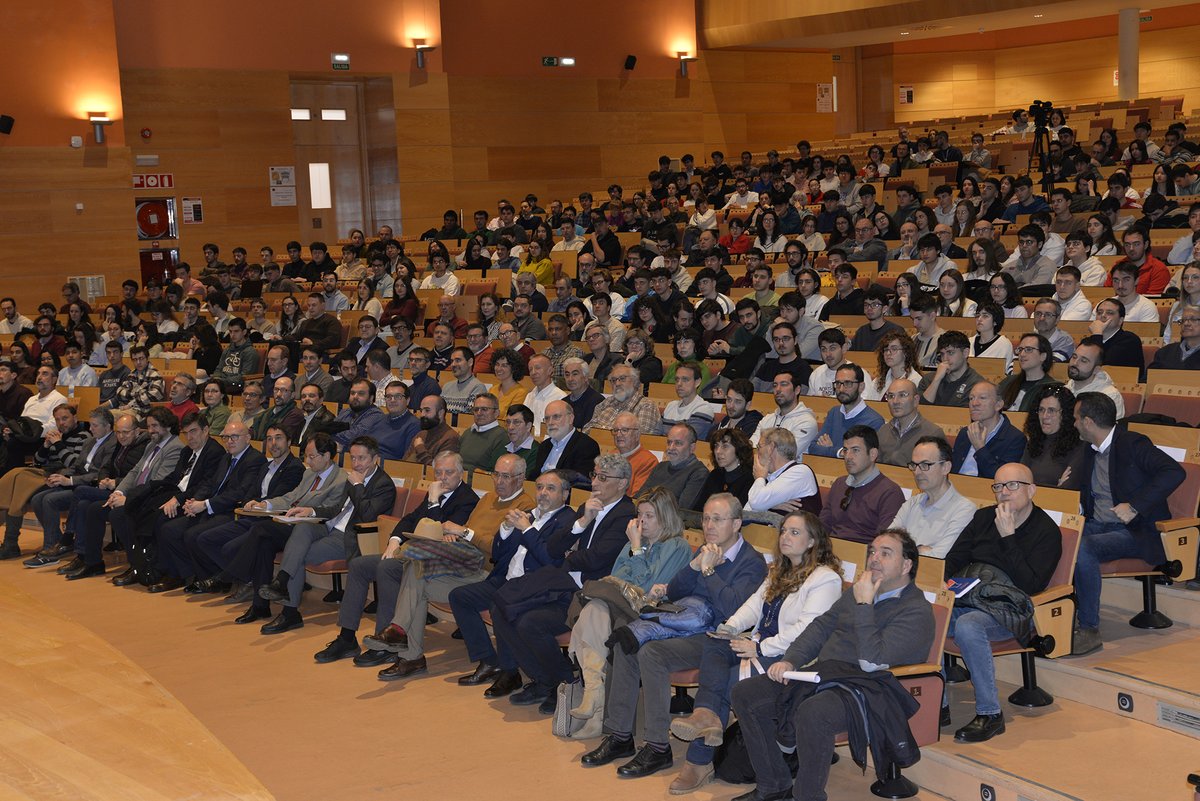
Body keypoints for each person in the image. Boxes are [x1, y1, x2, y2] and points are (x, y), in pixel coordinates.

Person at [728, 529, 934, 801]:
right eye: (872, 551)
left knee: (815, 711)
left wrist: (864, 604)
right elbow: (821, 627)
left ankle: (807, 796)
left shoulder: (916, 611)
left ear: (907, 565)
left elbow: (871, 662)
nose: (874, 558)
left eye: (885, 553)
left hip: (868, 690)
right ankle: (773, 784)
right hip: (825, 675)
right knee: (746, 693)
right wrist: (791, 659)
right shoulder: (860, 592)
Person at [579, 494, 766, 780]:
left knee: (651, 653)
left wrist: (708, 569)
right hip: (683, 622)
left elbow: (731, 609)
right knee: (628, 641)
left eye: (718, 519)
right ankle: (620, 735)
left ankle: (657, 746)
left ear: (737, 523)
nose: (709, 525)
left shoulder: (751, 562)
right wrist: (694, 567)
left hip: (718, 637)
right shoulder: (704, 549)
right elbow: (677, 592)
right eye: (705, 518)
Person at [665, 510, 844, 791]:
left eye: (794, 532)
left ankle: (697, 762)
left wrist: (758, 646)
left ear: (812, 542)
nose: (785, 536)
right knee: (715, 642)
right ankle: (706, 716)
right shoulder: (779, 570)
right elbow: (753, 605)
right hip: (759, 644)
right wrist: (730, 627)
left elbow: (807, 632)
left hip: (790, 657)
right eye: (784, 530)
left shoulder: (825, 579)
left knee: (727, 681)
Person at [361, 454, 534, 678]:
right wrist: (458, 536)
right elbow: (466, 532)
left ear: (520, 478)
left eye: (506, 476)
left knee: (415, 567)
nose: (498, 481)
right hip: (462, 562)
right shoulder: (488, 498)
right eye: (496, 475)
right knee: (415, 572)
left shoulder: (525, 505)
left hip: (488, 572)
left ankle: (402, 639)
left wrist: (463, 533)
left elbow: (500, 548)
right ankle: (408, 652)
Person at [487, 454, 636, 706]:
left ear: (622, 483)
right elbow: (555, 549)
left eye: (602, 477)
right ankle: (543, 680)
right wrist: (583, 521)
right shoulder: (587, 507)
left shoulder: (625, 514)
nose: (595, 482)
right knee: (500, 606)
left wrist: (571, 554)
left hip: (590, 594)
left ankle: (562, 683)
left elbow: (596, 559)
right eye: (594, 475)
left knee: (530, 623)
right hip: (564, 584)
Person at [310, 449, 478, 666]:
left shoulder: (467, 499)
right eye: (438, 472)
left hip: (435, 564)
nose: (442, 478)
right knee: (360, 565)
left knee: (386, 568)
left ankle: (386, 642)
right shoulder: (435, 492)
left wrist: (434, 501)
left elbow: (439, 536)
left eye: (448, 473)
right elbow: (409, 519)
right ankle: (347, 637)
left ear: (461, 473)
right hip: (412, 554)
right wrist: (394, 540)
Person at [942, 462, 1063, 743]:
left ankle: (990, 714)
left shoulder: (1046, 531)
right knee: (926, 615)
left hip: (1012, 610)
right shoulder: (983, 518)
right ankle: (939, 706)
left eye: (1012, 485)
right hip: (972, 596)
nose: (1004, 493)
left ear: (1031, 490)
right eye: (998, 486)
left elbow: (1031, 586)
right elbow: (953, 560)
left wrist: (1009, 537)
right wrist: (944, 587)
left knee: (969, 625)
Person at [564, 486, 694, 739]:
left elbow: (645, 589)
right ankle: (595, 699)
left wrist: (636, 548)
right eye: (640, 515)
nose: (642, 522)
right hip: (617, 607)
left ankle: (595, 700)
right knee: (596, 608)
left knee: (593, 610)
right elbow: (617, 578)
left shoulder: (676, 547)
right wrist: (635, 548)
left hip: (648, 615)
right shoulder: (634, 542)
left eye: (649, 516)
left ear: (665, 517)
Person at [1071, 392, 1184, 656]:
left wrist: (1135, 506)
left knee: (1083, 548)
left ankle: (1089, 628)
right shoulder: (1088, 450)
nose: (1073, 424)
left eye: (1076, 419)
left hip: (1134, 531)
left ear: (1088, 422)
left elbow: (1174, 472)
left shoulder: (1132, 443)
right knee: (1056, 537)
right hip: (1097, 525)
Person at [440, 470, 578, 680]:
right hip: (506, 579)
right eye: (539, 487)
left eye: (551, 488)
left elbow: (551, 560)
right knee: (460, 597)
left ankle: (510, 671)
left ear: (565, 494)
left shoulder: (567, 522)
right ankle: (489, 660)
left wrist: (527, 529)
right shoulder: (530, 514)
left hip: (533, 588)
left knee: (501, 605)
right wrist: (504, 530)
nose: (542, 493)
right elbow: (497, 553)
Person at [889, 436, 976, 556]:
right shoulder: (911, 503)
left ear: (946, 467)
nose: (917, 472)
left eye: (925, 465)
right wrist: (920, 550)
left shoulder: (964, 509)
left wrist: (905, 551)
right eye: (914, 465)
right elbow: (887, 543)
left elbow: (939, 557)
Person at [819, 425, 905, 543]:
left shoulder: (890, 492)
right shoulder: (839, 484)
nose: (848, 456)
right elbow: (822, 527)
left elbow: (884, 542)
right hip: (830, 553)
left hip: (863, 556)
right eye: (845, 450)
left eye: (855, 450)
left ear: (873, 454)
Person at [951, 382, 1028, 478]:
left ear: (998, 405)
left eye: (982, 398)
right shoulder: (965, 433)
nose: (974, 403)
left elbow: (1003, 480)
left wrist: (980, 448)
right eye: (971, 398)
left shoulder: (1015, 438)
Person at [808, 364, 885, 457]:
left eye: (848, 383)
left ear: (861, 387)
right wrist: (840, 452)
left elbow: (863, 458)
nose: (841, 389)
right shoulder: (834, 412)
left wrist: (831, 450)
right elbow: (812, 448)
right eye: (838, 383)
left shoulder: (874, 421)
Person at [745, 428, 819, 515]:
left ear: (771, 448)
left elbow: (756, 503)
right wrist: (771, 505)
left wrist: (760, 477)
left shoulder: (800, 472)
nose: (756, 453)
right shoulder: (771, 476)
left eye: (759, 447)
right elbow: (746, 511)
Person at [527, 399, 600, 485]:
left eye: (556, 417)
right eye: (547, 418)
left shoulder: (587, 446)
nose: (550, 422)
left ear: (570, 418)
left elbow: (581, 483)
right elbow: (534, 476)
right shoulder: (544, 445)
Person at [642, 423, 711, 511]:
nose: (671, 448)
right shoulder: (660, 466)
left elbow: (681, 510)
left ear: (692, 447)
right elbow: (640, 498)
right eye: (669, 442)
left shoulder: (699, 473)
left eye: (678, 443)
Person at [877, 378, 944, 466]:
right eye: (891, 396)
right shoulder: (883, 431)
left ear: (915, 400)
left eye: (902, 395)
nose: (895, 401)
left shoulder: (933, 433)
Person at [582, 364, 662, 435]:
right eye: (613, 380)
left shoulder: (646, 405)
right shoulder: (606, 403)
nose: (617, 384)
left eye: (622, 379)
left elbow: (638, 438)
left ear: (635, 381)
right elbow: (586, 430)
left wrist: (601, 430)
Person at [1082, 298, 1146, 380]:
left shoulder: (1130, 340)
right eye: (1099, 312)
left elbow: (1101, 367)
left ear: (1120, 320)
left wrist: (1097, 334)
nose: (1103, 316)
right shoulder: (1087, 341)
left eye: (1109, 313)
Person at [997, 334, 1061, 412]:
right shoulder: (1008, 382)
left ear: (1043, 356)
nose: (1022, 354)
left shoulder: (1051, 388)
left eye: (1029, 349)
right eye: (1020, 349)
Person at [661, 363, 721, 440]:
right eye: (677, 379)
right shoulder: (670, 406)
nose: (679, 384)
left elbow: (686, 440)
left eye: (685, 379)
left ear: (697, 382)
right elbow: (656, 435)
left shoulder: (703, 409)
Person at [699, 428, 756, 504]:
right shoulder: (715, 474)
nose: (718, 451)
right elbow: (699, 507)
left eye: (725, 446)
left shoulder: (749, 479)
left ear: (739, 449)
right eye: (716, 446)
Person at [459, 393, 509, 474]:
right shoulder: (468, 432)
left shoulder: (502, 437)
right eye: (476, 409)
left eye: (484, 409)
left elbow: (493, 473)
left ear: (496, 413)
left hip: (479, 483)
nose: (479, 413)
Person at [1150, 302, 1200, 369]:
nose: (1186, 323)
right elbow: (1149, 377)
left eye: (1193, 319)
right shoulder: (1165, 353)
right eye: (1183, 320)